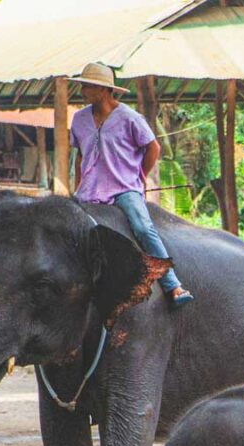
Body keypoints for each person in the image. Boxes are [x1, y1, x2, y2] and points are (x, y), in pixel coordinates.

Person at [67, 62, 193, 307]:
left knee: (143, 227)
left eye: (87, 86)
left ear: (104, 90)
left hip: (123, 189)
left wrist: (138, 176)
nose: (82, 91)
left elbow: (152, 148)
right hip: (89, 191)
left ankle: (173, 285)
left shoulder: (130, 118)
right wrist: (77, 187)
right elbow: (80, 155)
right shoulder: (79, 119)